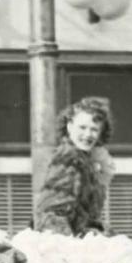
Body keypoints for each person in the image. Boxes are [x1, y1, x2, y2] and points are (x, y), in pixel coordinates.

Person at [33, 97, 114, 236]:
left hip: (78, 235)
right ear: (69, 126)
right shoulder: (68, 159)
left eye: (94, 129)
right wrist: (70, 247)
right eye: (82, 127)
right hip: (62, 239)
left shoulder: (85, 160)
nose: (88, 135)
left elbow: (84, 213)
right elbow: (53, 212)